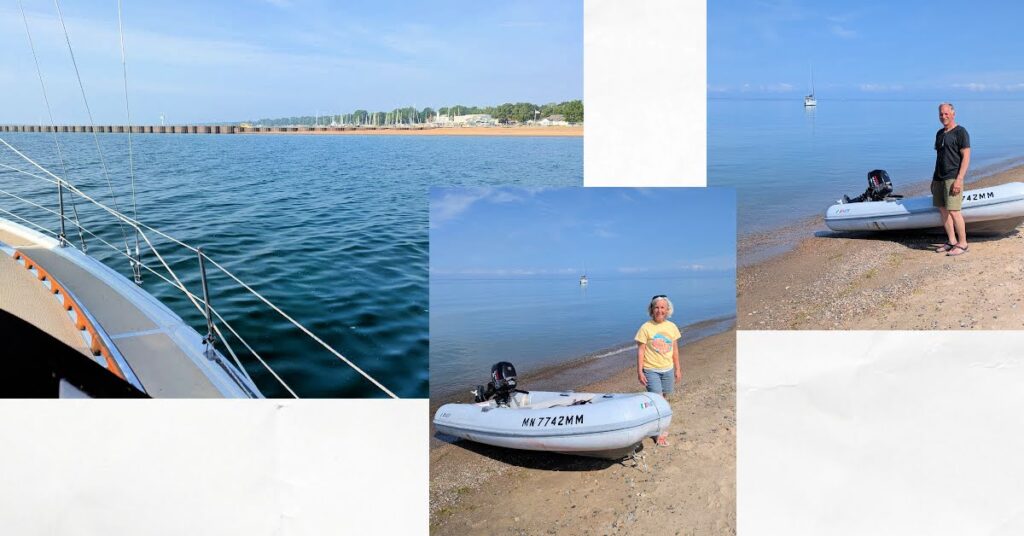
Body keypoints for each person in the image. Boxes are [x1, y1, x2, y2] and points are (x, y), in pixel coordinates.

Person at [634, 294, 681, 447]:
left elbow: (675, 349)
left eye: (662, 307)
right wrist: (640, 371)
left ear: (667, 310)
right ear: (652, 310)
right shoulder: (646, 327)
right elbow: (640, 350)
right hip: (651, 369)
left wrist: (678, 369)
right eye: (657, 307)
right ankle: (659, 433)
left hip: (668, 369)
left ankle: (660, 425)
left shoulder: (672, 327)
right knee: (658, 400)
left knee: (665, 400)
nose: (659, 310)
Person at [932, 102, 971, 256]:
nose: (943, 116)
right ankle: (952, 241)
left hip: (953, 177)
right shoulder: (940, 133)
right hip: (939, 178)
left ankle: (963, 243)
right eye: (941, 114)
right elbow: (939, 157)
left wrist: (959, 179)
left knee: (954, 211)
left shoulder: (961, 132)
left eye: (946, 113)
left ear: (953, 114)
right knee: (943, 211)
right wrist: (933, 179)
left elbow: (966, 157)